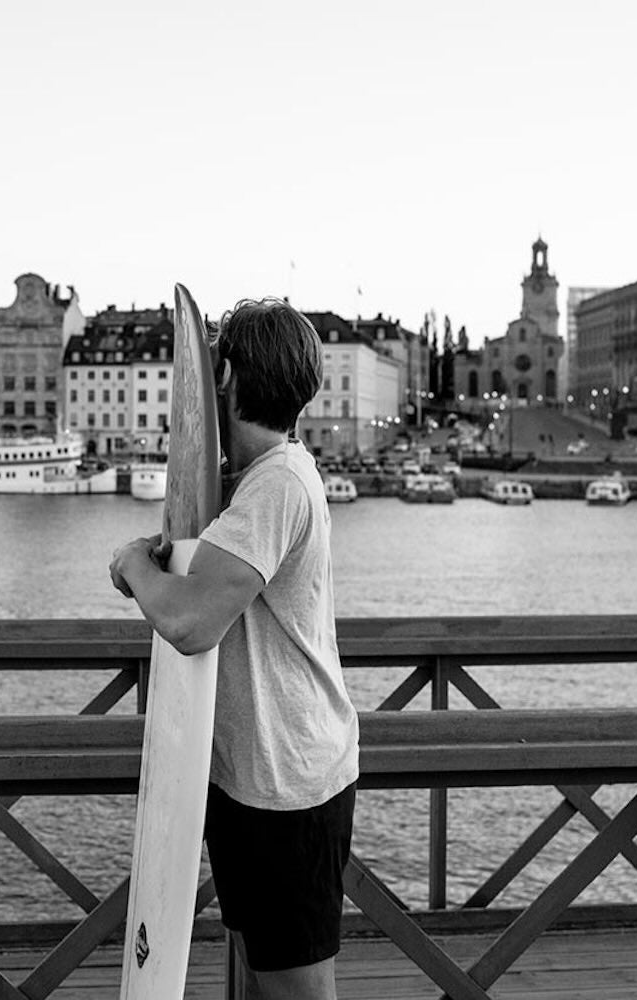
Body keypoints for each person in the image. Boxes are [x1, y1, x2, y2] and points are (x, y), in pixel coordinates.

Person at [109, 298, 360, 1000]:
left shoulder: (274, 484)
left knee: (295, 991)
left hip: (287, 784)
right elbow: (208, 589)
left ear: (226, 376)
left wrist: (134, 564)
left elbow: (191, 625)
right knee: (259, 979)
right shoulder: (257, 481)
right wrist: (169, 568)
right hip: (261, 775)